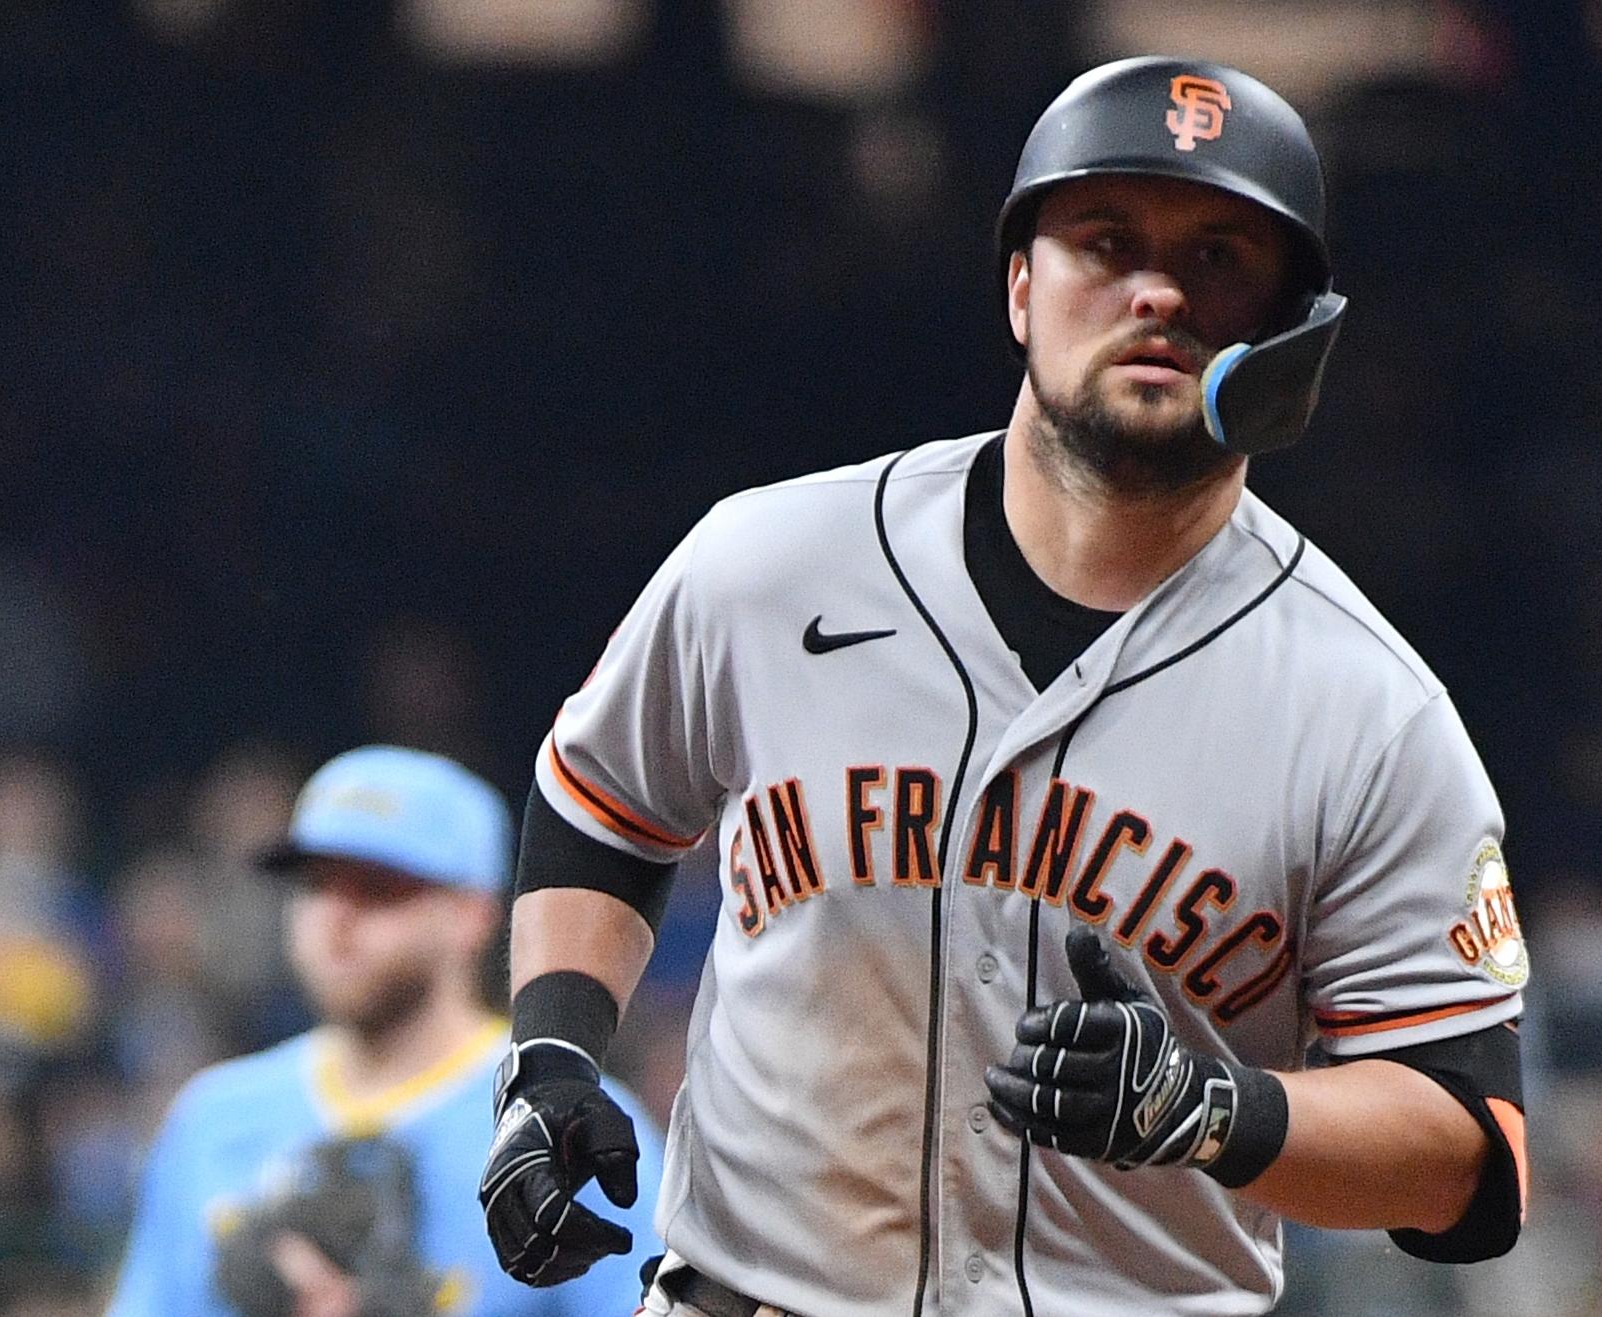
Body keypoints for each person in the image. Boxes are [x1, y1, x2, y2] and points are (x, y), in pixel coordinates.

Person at [480, 56, 1532, 1316]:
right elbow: (601, 804)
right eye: (1105, 241)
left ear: (1292, 329)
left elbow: (1473, 1159)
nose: (1156, 289)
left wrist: (1217, 1113)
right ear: (1021, 288)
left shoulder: (1368, 710)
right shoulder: (768, 563)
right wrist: (548, 1058)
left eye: (1218, 257)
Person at [108, 745, 664, 1316]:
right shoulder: (211, 1118)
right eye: (314, 886)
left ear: (471, 915)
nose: (335, 918)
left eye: (376, 889)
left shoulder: (563, 1126)